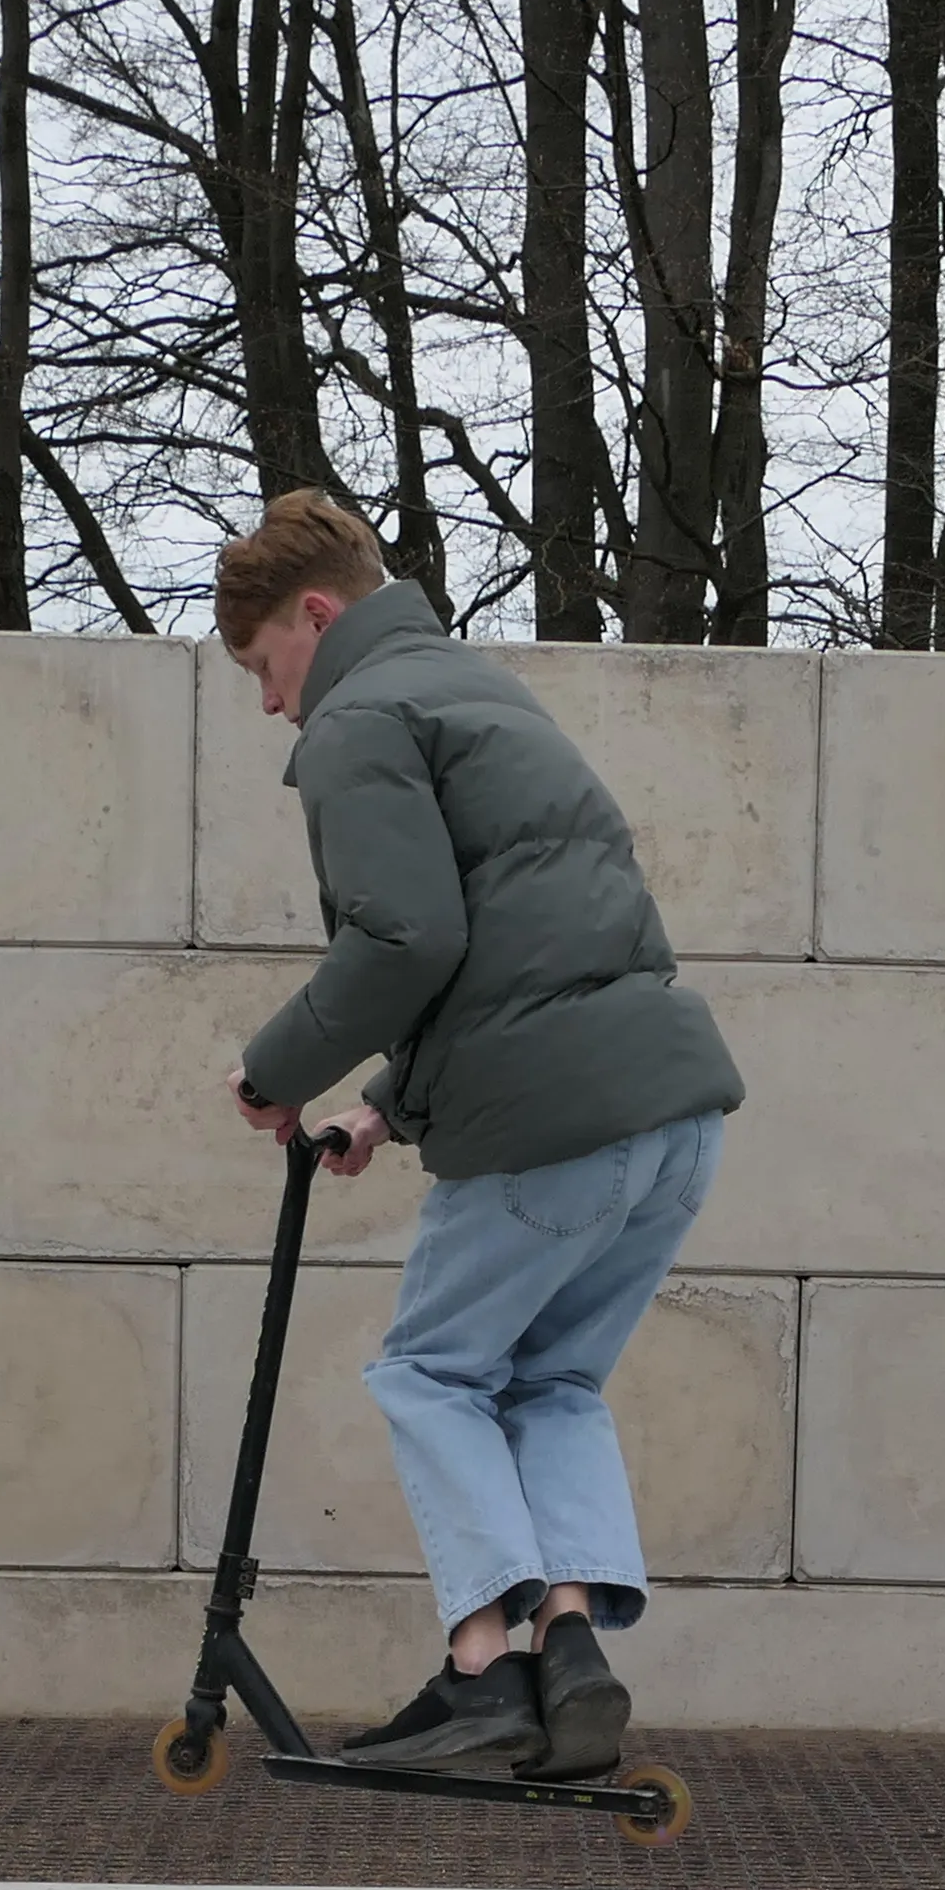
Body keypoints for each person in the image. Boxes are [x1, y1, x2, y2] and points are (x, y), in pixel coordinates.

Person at [215, 490, 744, 1784]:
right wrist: (384, 1110)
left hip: (550, 1125)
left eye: (265, 667)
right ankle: (567, 1651)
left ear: (315, 617)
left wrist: (277, 1073)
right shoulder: (478, 691)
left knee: (430, 1376)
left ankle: (481, 1669)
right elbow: (521, 946)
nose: (273, 705)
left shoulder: (359, 720)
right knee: (550, 1384)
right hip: (666, 1111)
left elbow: (408, 939)